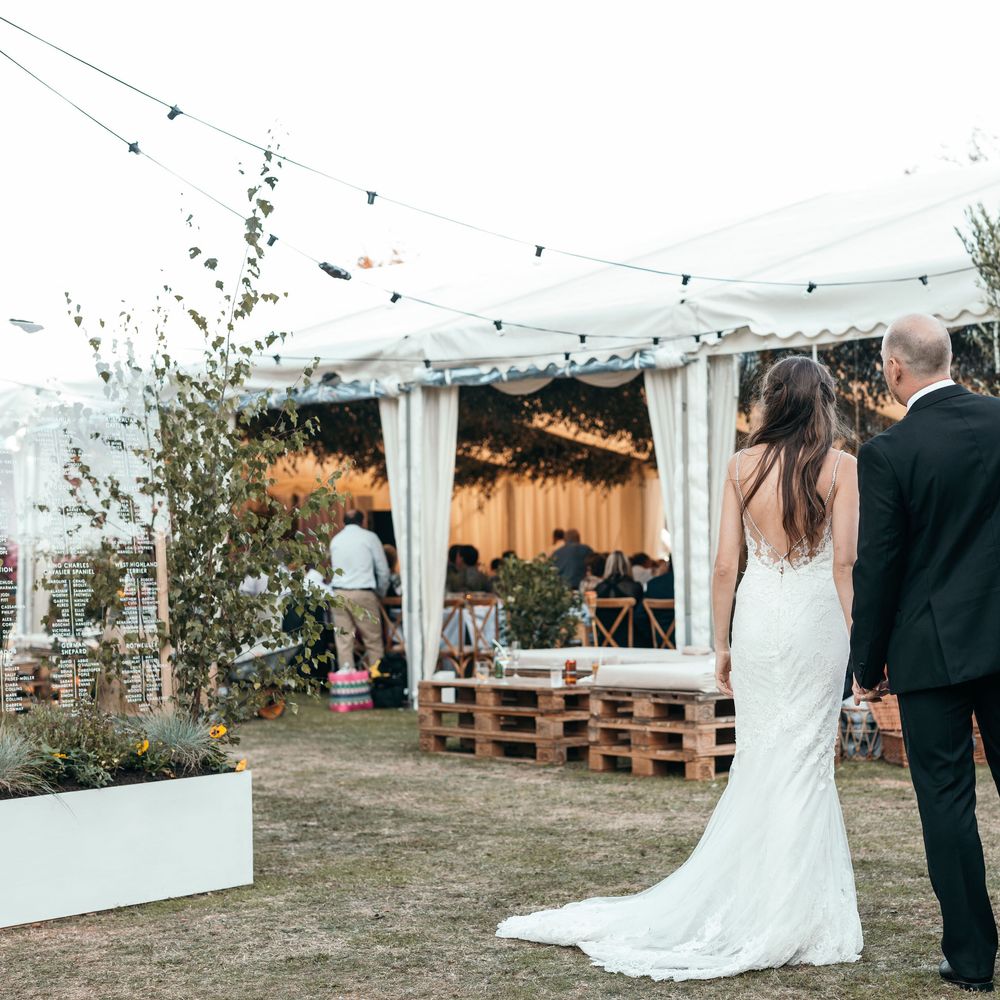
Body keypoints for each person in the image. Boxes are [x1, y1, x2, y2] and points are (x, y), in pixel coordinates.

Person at [499, 354, 863, 980]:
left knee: (760, 758)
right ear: (824, 403)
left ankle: (765, 900)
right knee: (805, 760)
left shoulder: (741, 466)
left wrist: (720, 644)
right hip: (815, 622)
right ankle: (792, 910)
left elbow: (725, 566)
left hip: (756, 620)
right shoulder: (842, 468)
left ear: (772, 401)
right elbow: (845, 564)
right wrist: (857, 639)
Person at [851, 315, 1000, 994]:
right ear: (949, 358)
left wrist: (866, 662)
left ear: (894, 369)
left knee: (946, 802)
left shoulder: (890, 452)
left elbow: (877, 567)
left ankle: (970, 960)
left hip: (932, 652)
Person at [328, 510, 389, 671]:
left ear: (343, 523)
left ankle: (348, 682)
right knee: (373, 641)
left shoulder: (336, 540)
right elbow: (383, 570)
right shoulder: (369, 537)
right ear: (363, 522)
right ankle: (377, 681)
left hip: (339, 593)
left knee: (343, 641)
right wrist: (381, 593)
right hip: (363, 592)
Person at [593, 551, 648, 646]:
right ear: (627, 566)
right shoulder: (635, 588)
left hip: (604, 643)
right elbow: (641, 616)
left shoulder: (598, 589)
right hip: (631, 642)